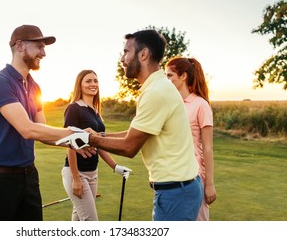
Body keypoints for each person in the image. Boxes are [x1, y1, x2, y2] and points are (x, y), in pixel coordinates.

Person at [57, 29, 203, 221]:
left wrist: (88, 138)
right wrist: (99, 136)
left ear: (143, 54)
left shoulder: (155, 92)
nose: (122, 58)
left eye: (126, 52)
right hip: (179, 189)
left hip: (175, 192)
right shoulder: (156, 88)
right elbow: (133, 133)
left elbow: (129, 146)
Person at [0, 24, 94, 221]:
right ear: (20, 45)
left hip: (29, 177)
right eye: (39, 47)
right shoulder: (0, 82)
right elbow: (28, 129)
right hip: (1, 181)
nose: (44, 53)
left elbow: (42, 131)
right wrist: (75, 133)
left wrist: (74, 142)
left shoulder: (35, 87)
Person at [61, 70, 132, 221]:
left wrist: (115, 166)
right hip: (77, 172)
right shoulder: (74, 108)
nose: (93, 84)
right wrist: (76, 178)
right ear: (79, 85)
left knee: (79, 219)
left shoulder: (95, 112)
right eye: (88, 81)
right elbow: (69, 143)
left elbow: (99, 143)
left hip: (93, 173)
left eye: (95, 81)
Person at [165, 57, 217, 221]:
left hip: (195, 178)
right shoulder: (170, 104)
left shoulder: (201, 105)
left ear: (183, 76)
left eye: (170, 76)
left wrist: (209, 184)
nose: (167, 80)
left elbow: (207, 148)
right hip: (171, 175)